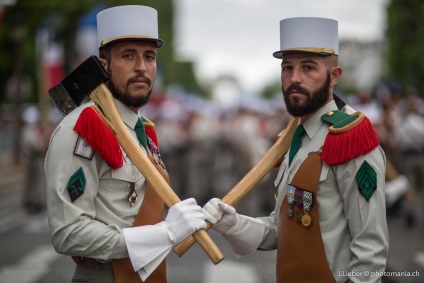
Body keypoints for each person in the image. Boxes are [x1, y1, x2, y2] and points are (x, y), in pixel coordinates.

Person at [202, 17, 389, 283]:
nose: (294, 78)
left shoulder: (348, 139)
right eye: (287, 68)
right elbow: (285, 227)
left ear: (334, 76)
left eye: (308, 68)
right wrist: (234, 225)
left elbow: (370, 251)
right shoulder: (293, 139)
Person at [45, 5, 206, 283]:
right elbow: (68, 232)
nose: (141, 67)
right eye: (128, 56)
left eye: (150, 57)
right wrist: (162, 235)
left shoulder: (143, 130)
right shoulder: (82, 129)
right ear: (104, 66)